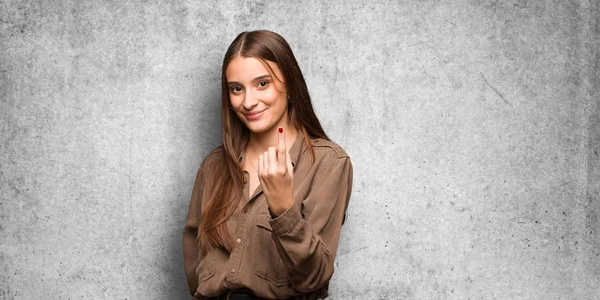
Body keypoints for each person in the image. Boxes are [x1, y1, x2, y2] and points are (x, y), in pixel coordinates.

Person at [183, 30, 353, 300]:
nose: (248, 102)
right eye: (236, 89)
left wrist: (283, 209)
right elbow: (195, 260)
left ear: (290, 84)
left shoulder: (328, 163)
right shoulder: (214, 166)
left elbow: (314, 277)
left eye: (262, 84)